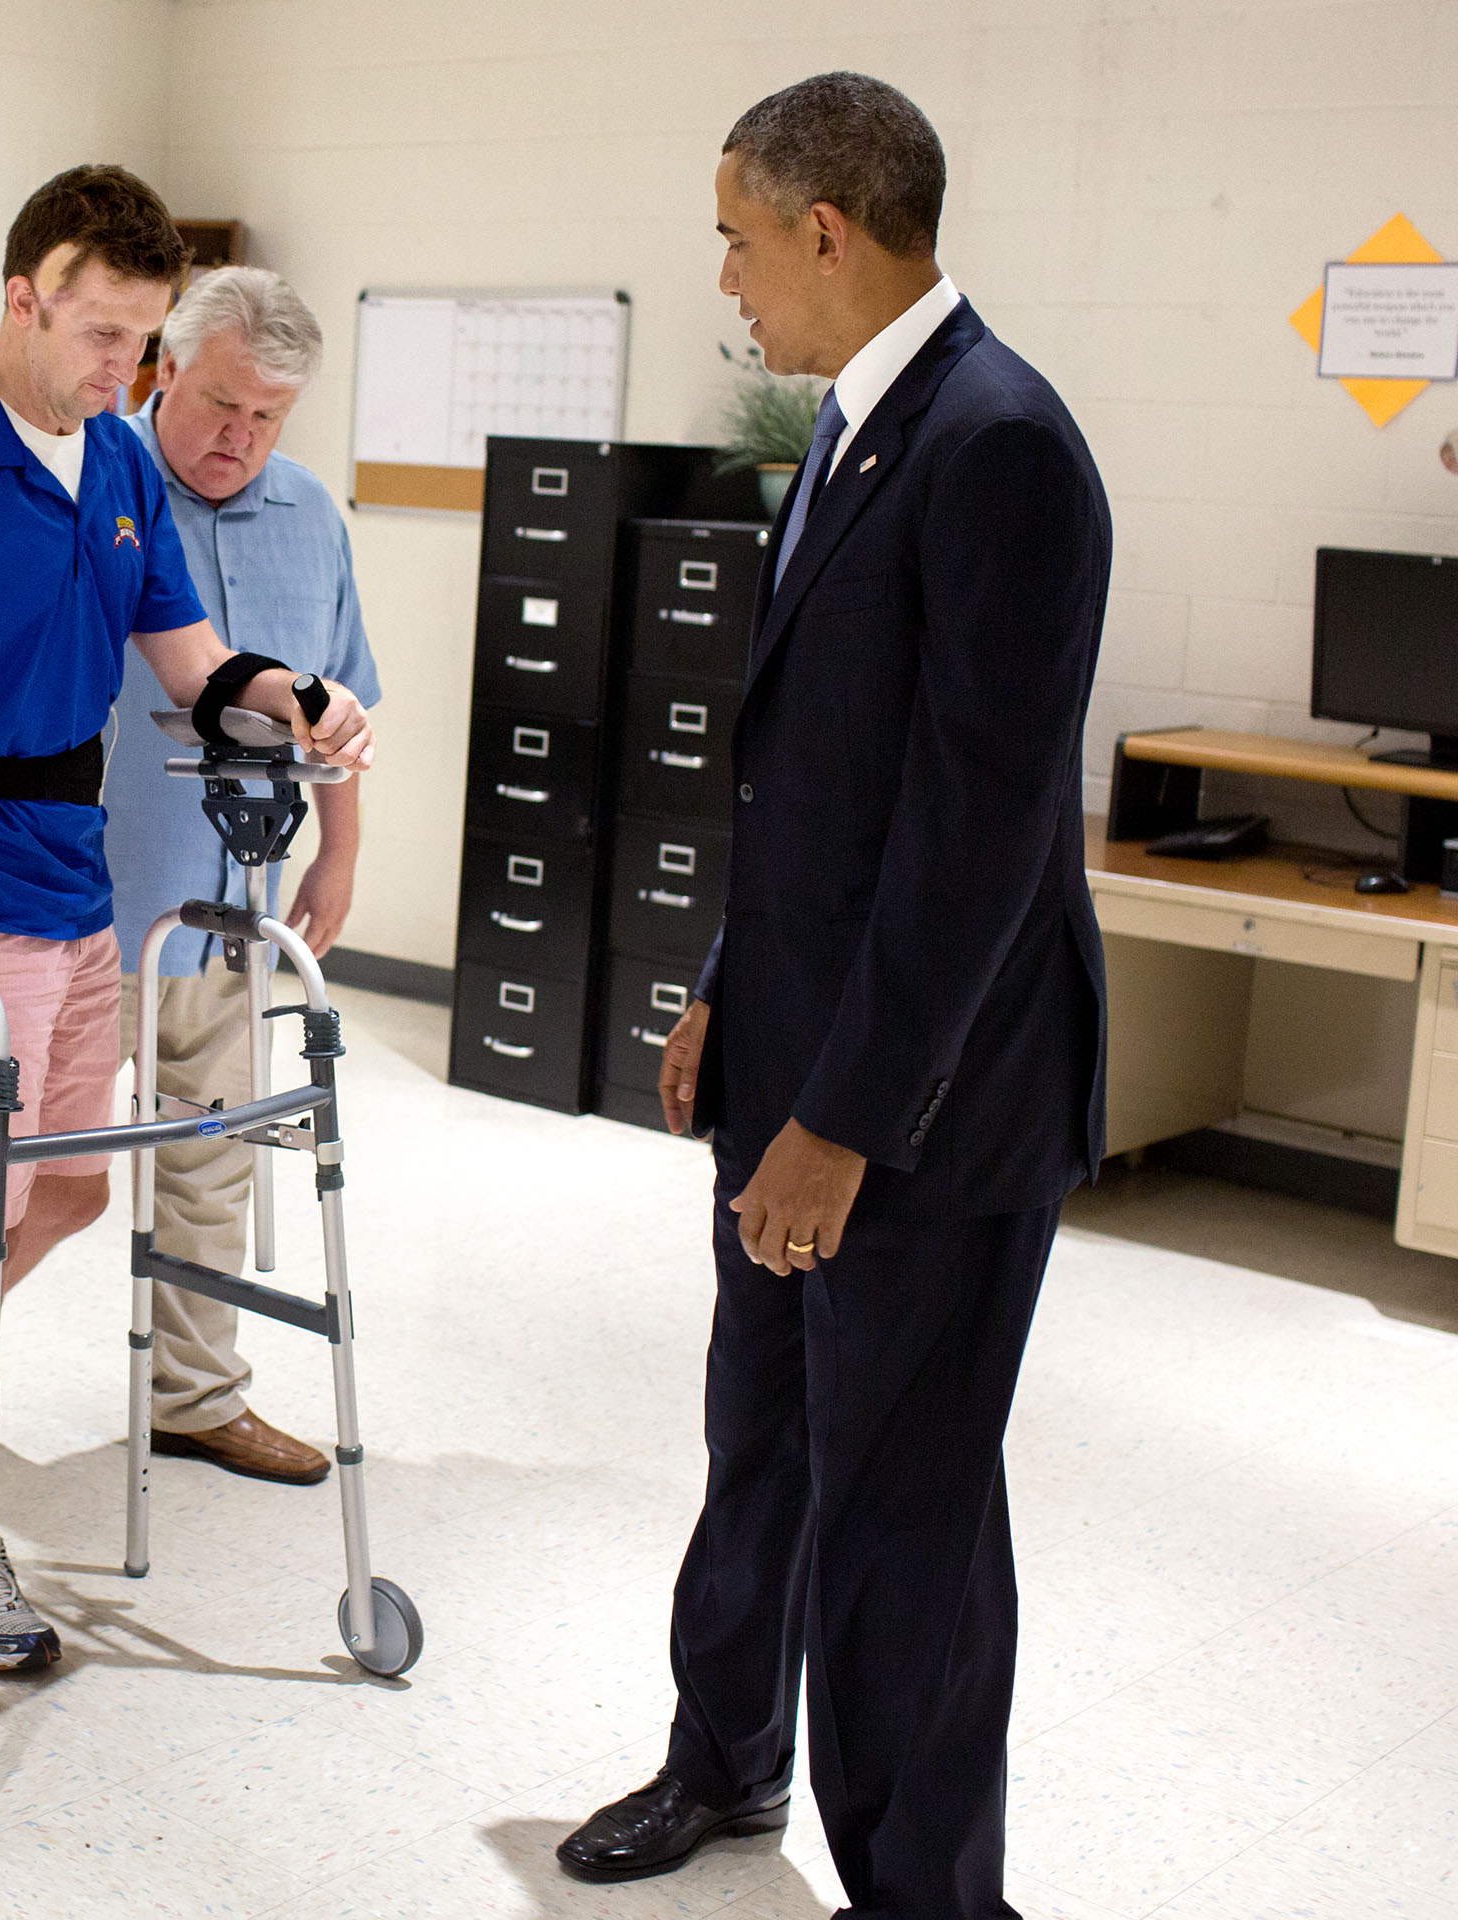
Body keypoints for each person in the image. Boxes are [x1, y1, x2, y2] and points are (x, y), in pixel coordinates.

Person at [555, 75, 1109, 1916]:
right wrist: (726, 984)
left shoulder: (1002, 446)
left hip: (927, 1111)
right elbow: (811, 785)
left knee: (912, 1524)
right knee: (766, 1443)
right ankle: (724, 1766)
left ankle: (934, 1895)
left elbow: (974, 838)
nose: (722, 277)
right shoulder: (862, 431)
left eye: (733, 233)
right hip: (797, 1045)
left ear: (826, 230)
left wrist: (845, 1123)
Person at [0, 167, 375, 1671]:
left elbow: (189, 663)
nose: (123, 373)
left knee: (79, 1193)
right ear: (20, 298)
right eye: (101, 334)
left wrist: (294, 699)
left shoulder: (113, 469)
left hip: (75, 887)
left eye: (142, 342)